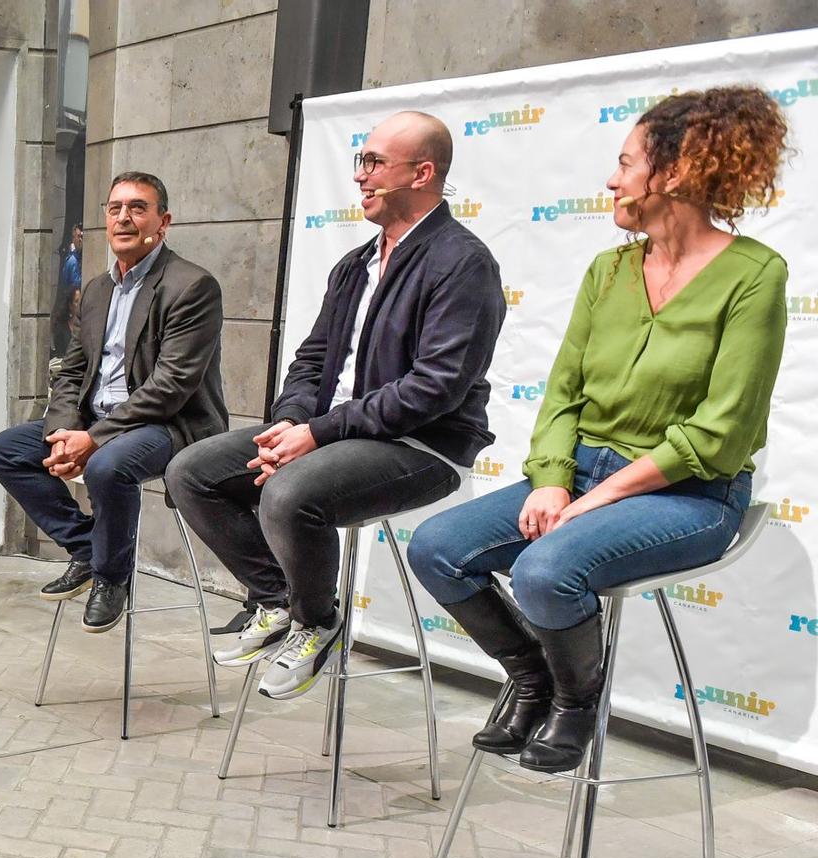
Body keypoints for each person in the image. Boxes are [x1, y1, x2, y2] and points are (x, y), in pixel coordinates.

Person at [407, 86, 789, 773]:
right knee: (438, 546)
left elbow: (721, 432)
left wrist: (591, 501)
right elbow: (563, 394)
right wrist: (554, 480)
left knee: (546, 569)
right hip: (583, 469)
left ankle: (577, 704)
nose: (611, 180)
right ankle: (533, 678)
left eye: (625, 162)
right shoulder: (607, 270)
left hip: (690, 494)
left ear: (675, 173)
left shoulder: (755, 275)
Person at [166, 111, 506, 700]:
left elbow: (436, 388)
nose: (361, 176)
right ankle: (278, 601)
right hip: (331, 433)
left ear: (422, 172)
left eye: (375, 163)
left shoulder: (462, 262)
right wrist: (290, 424)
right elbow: (312, 360)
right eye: (361, 162)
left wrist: (316, 436)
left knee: (290, 492)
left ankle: (316, 622)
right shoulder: (355, 265)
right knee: (190, 472)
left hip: (421, 446)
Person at [0, 172, 228, 633]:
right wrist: (62, 429)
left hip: (170, 425)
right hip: (97, 419)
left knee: (106, 466)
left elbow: (171, 386)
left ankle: (112, 578)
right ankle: (88, 548)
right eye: (115, 208)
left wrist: (93, 439)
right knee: (8, 450)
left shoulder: (191, 286)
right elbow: (73, 369)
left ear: (163, 221)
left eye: (138, 208)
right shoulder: (98, 289)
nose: (124, 217)